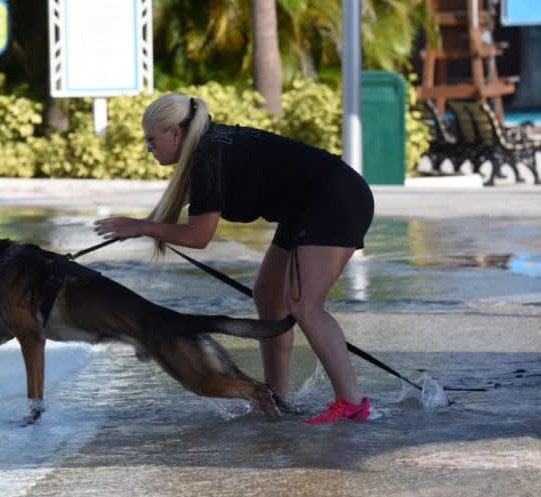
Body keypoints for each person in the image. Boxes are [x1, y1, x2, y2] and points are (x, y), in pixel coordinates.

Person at [93, 92, 374, 424]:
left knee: (305, 306)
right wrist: (144, 227)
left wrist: (140, 227)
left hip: (335, 199)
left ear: (175, 133)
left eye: (151, 141)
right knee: (269, 297)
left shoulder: (207, 158)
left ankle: (351, 402)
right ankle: (276, 395)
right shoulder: (208, 147)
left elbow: (198, 236)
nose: (149, 149)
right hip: (308, 206)